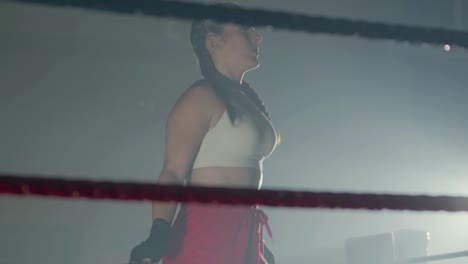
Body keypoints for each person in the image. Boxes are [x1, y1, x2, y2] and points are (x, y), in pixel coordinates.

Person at [129, 5, 279, 264]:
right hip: (206, 233)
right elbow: (173, 172)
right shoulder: (200, 98)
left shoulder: (248, 101)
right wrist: (159, 232)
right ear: (213, 41)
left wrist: (254, 244)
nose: (258, 37)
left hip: (244, 231)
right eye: (245, 30)